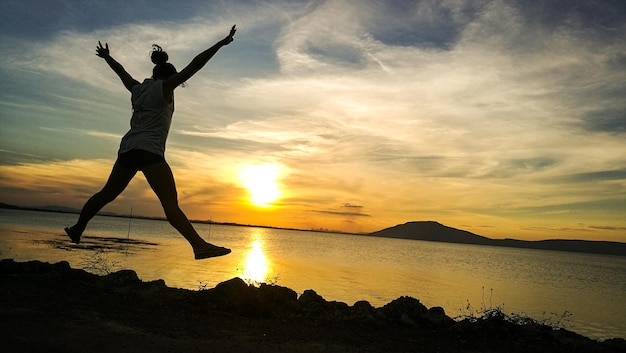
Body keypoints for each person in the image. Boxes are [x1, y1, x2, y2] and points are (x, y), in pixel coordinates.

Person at [65, 25, 237, 260]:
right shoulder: (165, 87)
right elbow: (196, 64)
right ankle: (199, 246)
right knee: (170, 204)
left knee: (106, 194)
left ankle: (77, 228)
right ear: (170, 77)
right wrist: (221, 43)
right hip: (149, 151)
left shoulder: (137, 89)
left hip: (127, 149)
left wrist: (107, 57)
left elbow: (122, 73)